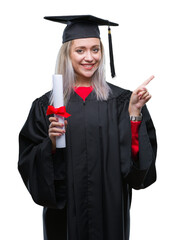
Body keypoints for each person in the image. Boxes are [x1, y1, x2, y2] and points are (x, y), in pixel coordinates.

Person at [18, 15, 157, 240]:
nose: (89, 57)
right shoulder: (47, 105)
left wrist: (134, 115)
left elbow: (137, 171)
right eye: (80, 50)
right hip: (65, 217)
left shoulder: (123, 102)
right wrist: (50, 145)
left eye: (95, 49)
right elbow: (28, 161)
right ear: (67, 54)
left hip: (109, 212)